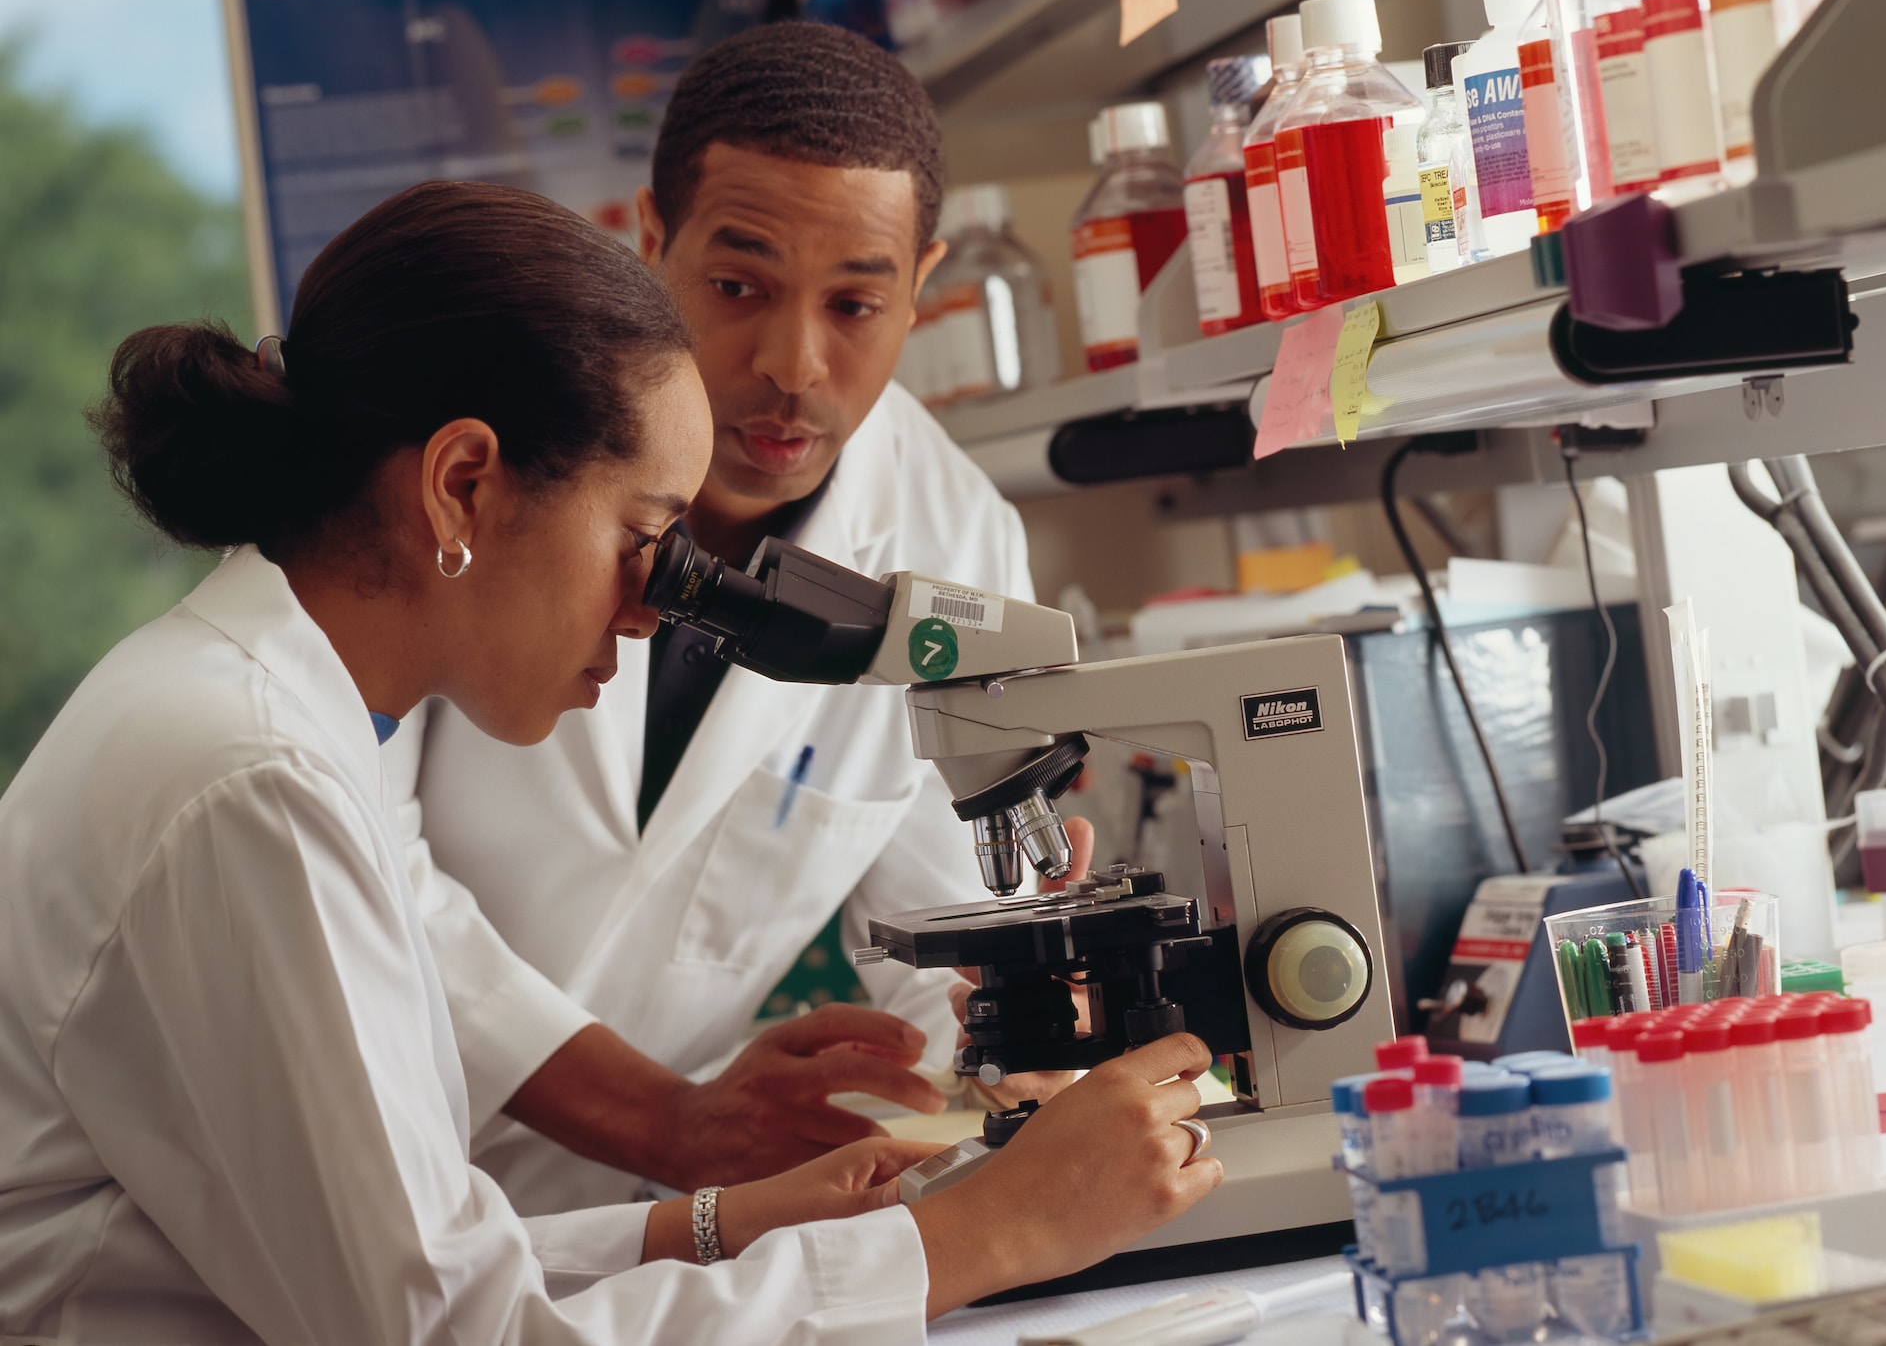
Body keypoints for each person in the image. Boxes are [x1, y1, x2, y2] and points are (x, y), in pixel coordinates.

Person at [0, 182, 1221, 1342]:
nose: (652, 615)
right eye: (643, 538)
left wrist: (721, 1223)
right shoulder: (251, 781)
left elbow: (420, 1267)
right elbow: (449, 1331)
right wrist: (991, 1234)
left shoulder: (259, 714)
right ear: (463, 485)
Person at [385, 21, 1057, 1214]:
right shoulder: (469, 453)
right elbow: (353, 853)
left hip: (633, 1214)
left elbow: (944, 937)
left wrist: (1006, 1042)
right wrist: (661, 1115)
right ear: (649, 240)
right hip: (364, 1142)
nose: (793, 365)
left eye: (857, 304)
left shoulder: (956, 544)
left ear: (924, 287)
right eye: (739, 287)